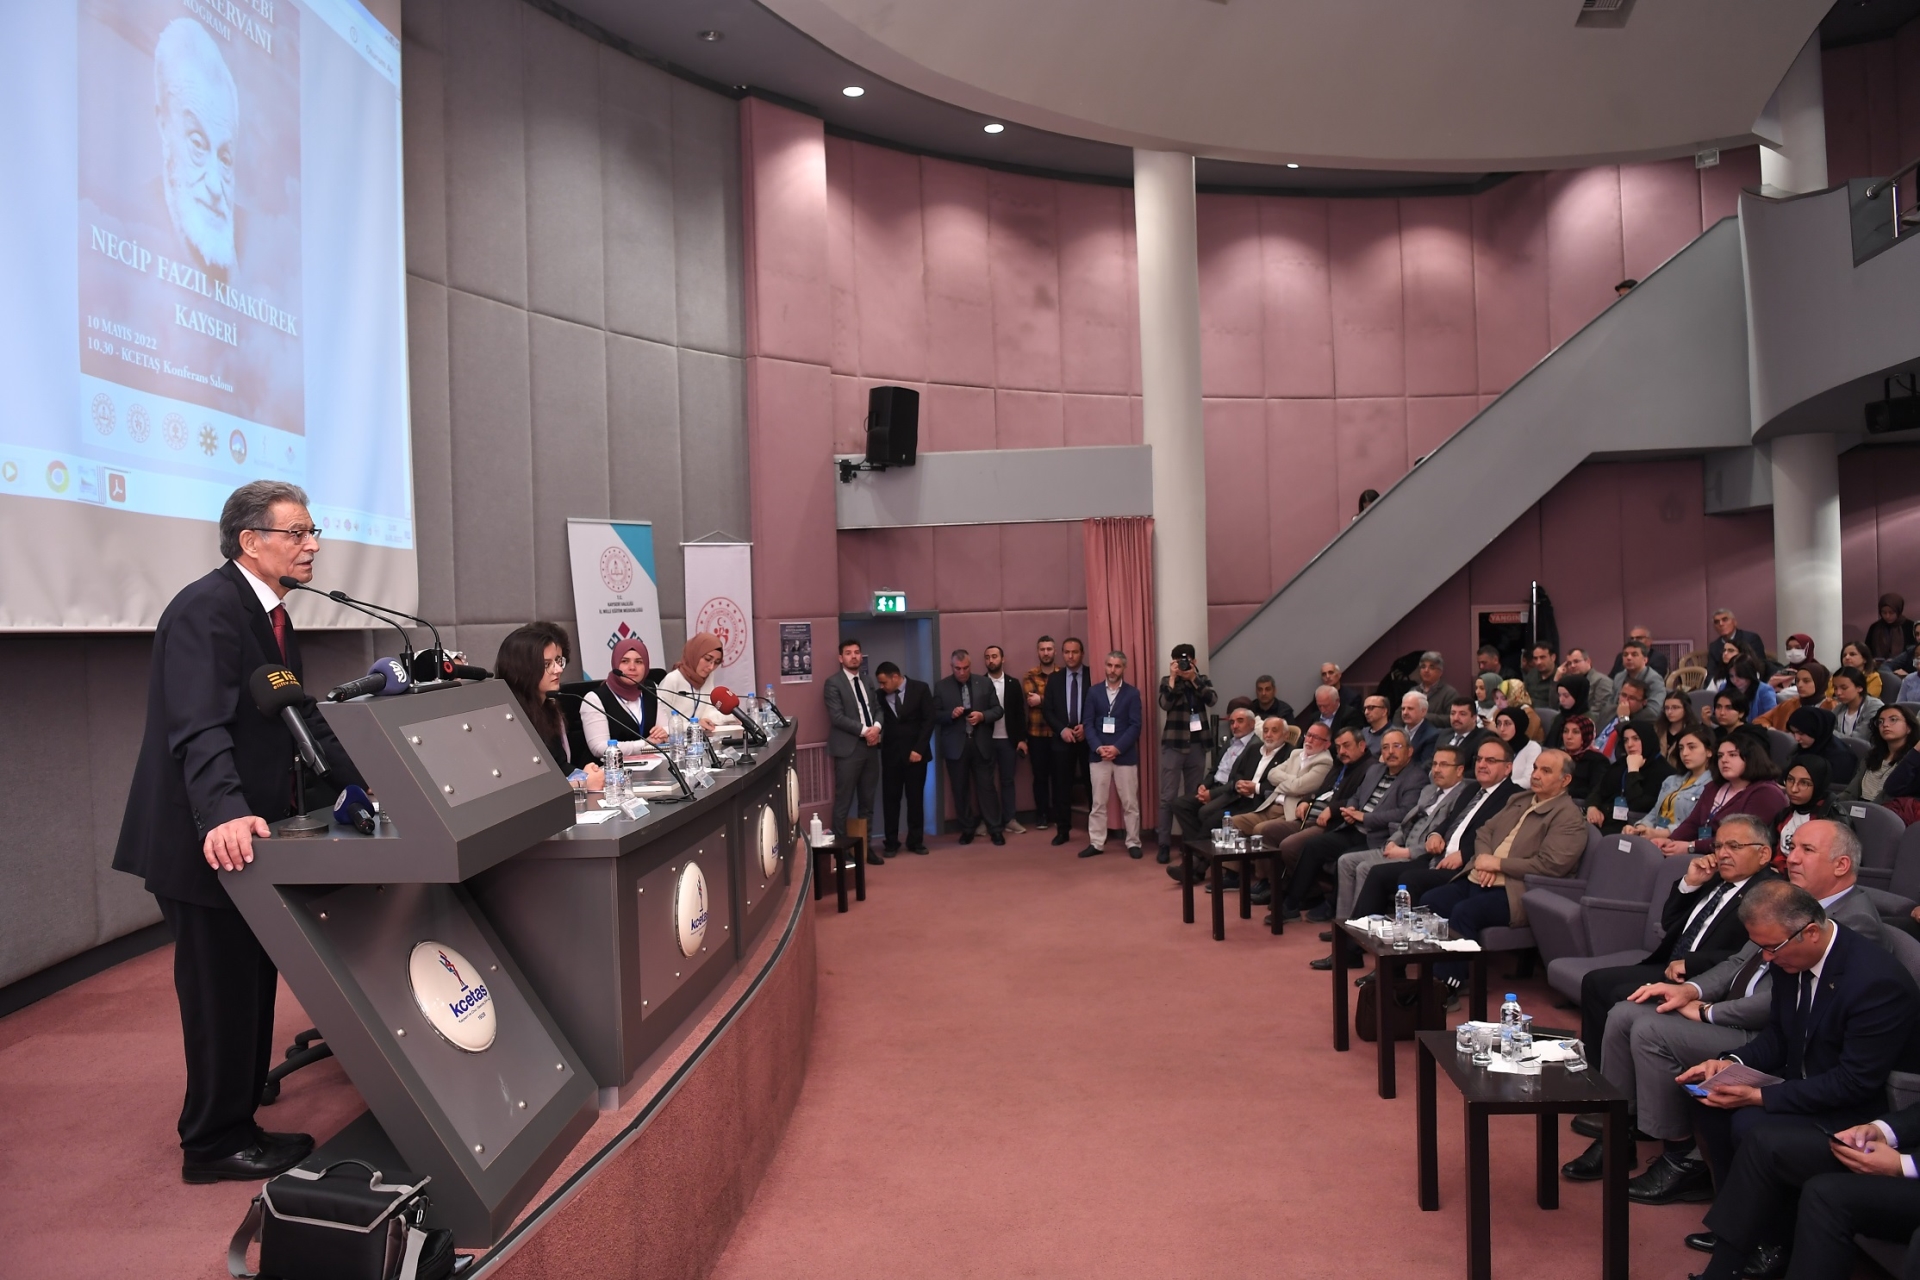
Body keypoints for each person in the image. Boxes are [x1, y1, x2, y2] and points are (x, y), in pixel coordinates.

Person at [114, 481, 367, 1183]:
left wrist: (368, 780)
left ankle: (240, 1101)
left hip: (251, 841)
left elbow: (300, 716)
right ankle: (213, 1142)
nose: (312, 546)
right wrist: (224, 810)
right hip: (206, 836)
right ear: (250, 541)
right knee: (221, 992)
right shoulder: (207, 609)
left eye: (314, 533)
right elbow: (197, 725)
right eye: (298, 533)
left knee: (250, 979)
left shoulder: (270, 615)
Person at [1580, 819, 1888, 1206]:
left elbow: (1787, 1003)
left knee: (1649, 1030)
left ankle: (1682, 1158)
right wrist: (1689, 990)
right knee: (1626, 1011)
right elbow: (1739, 961)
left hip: (1769, 1035)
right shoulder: (1791, 898)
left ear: (1841, 865)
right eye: (1792, 847)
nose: (1792, 858)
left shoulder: (1854, 923)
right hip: (1736, 1012)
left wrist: (1709, 1012)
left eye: (1806, 851)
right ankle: (1617, 1132)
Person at [1681, 881, 1920, 1277]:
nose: (1766, 958)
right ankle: (1752, 1232)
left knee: (1755, 1129)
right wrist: (1731, 1063)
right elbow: (1779, 1034)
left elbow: (1854, 1083)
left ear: (1810, 932)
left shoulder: (1876, 982)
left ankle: (1739, 1252)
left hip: (1857, 1108)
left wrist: (1757, 1097)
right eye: (1760, 948)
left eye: (1771, 948)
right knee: (1710, 1104)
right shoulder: (1790, 958)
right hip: (1808, 1083)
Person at [1574, 813, 1781, 1066]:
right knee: (1594, 982)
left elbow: (1748, 954)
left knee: (1620, 994)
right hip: (1669, 963)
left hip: (1703, 976)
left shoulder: (1769, 893)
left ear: (1763, 854)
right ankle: (1595, 1070)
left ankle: (1616, 1076)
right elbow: (1670, 923)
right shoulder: (1716, 877)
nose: (1723, 854)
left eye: (1734, 846)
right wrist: (1690, 884)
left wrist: (1690, 963)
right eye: (1718, 846)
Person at [1419, 747, 1588, 989]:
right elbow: (1484, 831)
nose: (1536, 775)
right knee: (1431, 901)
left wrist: (1498, 864)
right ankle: (1428, 973)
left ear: (1565, 780)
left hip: (1517, 891)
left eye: (1546, 771)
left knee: (1465, 912)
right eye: (1535, 768)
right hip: (1481, 877)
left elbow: (1551, 866)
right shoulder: (1520, 799)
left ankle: (1450, 985)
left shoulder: (1569, 818)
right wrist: (1485, 859)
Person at [1707, 1098, 1920, 1280]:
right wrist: (1881, 1130)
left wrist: (1902, 1165)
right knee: (1763, 1142)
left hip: (1910, 1169)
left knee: (1825, 1195)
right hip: (1905, 1152)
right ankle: (1719, 1273)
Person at [1343, 737, 1525, 933]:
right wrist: (1435, 834)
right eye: (1479, 759)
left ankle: (1407, 946)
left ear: (1508, 768)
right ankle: (1356, 940)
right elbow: (1450, 821)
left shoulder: (1513, 797)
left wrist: (1465, 854)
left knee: (1410, 879)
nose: (1481, 765)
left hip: (1464, 866)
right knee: (1377, 873)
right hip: (1437, 855)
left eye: (1490, 761)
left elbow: (1502, 838)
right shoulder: (1472, 789)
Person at [1276, 727, 1424, 922]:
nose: (1390, 752)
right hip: (1353, 827)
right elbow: (1356, 795)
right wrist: (1351, 809)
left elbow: (1404, 813)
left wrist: (1364, 817)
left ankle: (1333, 908)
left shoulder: (1416, 777)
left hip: (1379, 836)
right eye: (1385, 747)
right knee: (1313, 846)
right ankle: (1291, 904)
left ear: (1409, 751)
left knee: (1344, 858)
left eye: (1396, 746)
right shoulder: (1376, 770)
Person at [155, 18, 239, 278]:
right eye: (198, 144)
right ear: (163, 127)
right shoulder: (123, 220)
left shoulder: (254, 250)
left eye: (225, 159)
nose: (215, 186)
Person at [1163, 706, 1263, 879]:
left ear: (1252, 724)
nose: (1235, 726)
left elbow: (1239, 782)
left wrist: (1212, 795)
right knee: (1180, 804)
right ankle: (1202, 860)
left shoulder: (1255, 747)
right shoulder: (1230, 742)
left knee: (1205, 812)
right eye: (1232, 722)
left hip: (1233, 794)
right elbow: (1215, 769)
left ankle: (1194, 865)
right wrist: (1204, 785)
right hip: (1216, 787)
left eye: (1240, 721)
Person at [1655, 731, 1789, 858]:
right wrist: (1671, 840)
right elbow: (1692, 823)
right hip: (1703, 853)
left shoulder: (1766, 793)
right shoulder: (1714, 787)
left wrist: (1692, 846)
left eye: (1732, 755)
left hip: (1736, 859)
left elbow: (1740, 839)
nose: (1724, 760)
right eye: (1720, 756)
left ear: (1751, 758)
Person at [497, 621, 593, 770]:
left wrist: (584, 775)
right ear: (522, 669)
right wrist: (583, 780)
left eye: (558, 661)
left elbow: (560, 765)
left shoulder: (549, 708)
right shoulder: (509, 717)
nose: (558, 669)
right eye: (547, 664)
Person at [934, 650, 1005, 846]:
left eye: (965, 668)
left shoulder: (984, 683)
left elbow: (998, 710)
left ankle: (995, 829)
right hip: (956, 746)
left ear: (970, 666)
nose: (962, 672)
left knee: (987, 788)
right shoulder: (941, 687)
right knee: (960, 790)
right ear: (952, 667)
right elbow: (934, 715)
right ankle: (967, 830)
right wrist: (951, 715)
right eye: (958, 668)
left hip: (981, 743)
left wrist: (982, 716)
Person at [1157, 643, 1218, 861]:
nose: (1183, 665)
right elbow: (1165, 704)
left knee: (1193, 797)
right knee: (1168, 797)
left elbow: (1212, 699)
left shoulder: (1202, 680)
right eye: (1178, 661)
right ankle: (1164, 844)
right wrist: (1174, 679)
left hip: (1197, 744)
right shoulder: (1167, 680)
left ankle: (1190, 843)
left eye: (1186, 661)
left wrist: (1193, 679)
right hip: (1174, 744)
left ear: (1194, 661)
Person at [1079, 650, 1143, 858]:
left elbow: (1135, 726)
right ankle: (1096, 842)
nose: (1112, 670)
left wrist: (1117, 748)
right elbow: (1088, 723)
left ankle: (1133, 842)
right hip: (1098, 755)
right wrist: (1099, 747)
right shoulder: (1094, 692)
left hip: (1124, 756)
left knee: (1130, 803)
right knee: (1098, 802)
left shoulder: (1132, 693)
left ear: (1124, 668)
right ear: (1105, 666)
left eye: (1117, 666)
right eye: (1109, 665)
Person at [823, 639, 883, 851]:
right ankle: (842, 852)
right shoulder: (833, 683)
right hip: (848, 749)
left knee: (868, 802)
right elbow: (837, 717)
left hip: (871, 748)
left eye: (857, 652)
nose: (854, 656)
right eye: (848, 653)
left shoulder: (867, 680)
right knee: (843, 803)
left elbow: (878, 709)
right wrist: (866, 731)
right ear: (841, 658)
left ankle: (865, 849)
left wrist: (876, 728)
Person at [875, 661, 934, 855]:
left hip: (916, 755)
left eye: (884, 682)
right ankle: (891, 843)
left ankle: (915, 841)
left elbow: (928, 720)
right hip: (891, 755)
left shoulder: (920, 689)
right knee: (890, 800)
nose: (881, 686)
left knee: (915, 799)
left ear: (895, 677)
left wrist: (919, 748)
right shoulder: (880, 696)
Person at [579, 637, 668, 759]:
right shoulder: (594, 699)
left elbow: (665, 730)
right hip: (609, 769)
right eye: (625, 661)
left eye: (639, 662)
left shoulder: (651, 689)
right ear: (615, 664)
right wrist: (645, 744)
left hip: (652, 765)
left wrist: (665, 733)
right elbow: (600, 748)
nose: (632, 667)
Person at [1042, 638, 1092, 846]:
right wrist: (1062, 729)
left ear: (1082, 653)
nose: (1070, 656)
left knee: (1092, 785)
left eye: (1075, 652)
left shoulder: (1093, 675)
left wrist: (1087, 727)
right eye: (1067, 652)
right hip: (1062, 740)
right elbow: (1047, 710)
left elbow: (1101, 706)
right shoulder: (1054, 679)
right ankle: (1063, 830)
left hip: (1088, 739)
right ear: (1062, 654)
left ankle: (1097, 831)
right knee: (1061, 787)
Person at [1626, 728, 1714, 842]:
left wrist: (1660, 833)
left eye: (1691, 747)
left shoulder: (1712, 785)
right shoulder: (1671, 780)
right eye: (1681, 748)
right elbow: (1655, 812)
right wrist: (1640, 827)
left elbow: (1695, 824)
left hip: (1681, 842)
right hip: (1655, 837)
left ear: (1709, 751)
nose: (1684, 753)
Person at [1584, 719, 1670, 833]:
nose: (1629, 745)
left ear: (1647, 739)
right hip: (1604, 821)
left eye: (1636, 739)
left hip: (1632, 828)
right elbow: (1598, 790)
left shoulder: (1663, 772)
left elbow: (1638, 805)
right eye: (1625, 740)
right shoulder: (1621, 764)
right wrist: (1592, 807)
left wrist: (1633, 771)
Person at [982, 646, 1028, 836]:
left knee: (1008, 780)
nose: (991, 660)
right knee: (986, 782)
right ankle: (988, 820)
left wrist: (1022, 739)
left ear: (1003, 659)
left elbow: (1019, 713)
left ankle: (1010, 819)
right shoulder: (979, 682)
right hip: (986, 741)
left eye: (994, 656)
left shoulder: (1013, 683)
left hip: (1008, 740)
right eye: (987, 657)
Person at [657, 632, 739, 732]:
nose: (711, 667)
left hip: (698, 737)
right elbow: (662, 725)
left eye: (716, 662)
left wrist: (734, 716)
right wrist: (693, 725)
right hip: (675, 739)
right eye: (707, 659)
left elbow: (708, 713)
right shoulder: (672, 679)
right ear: (695, 654)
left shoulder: (708, 677)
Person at [1841, 703, 1917, 803]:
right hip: (1858, 807)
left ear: (1909, 727)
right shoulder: (1871, 755)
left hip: (1888, 810)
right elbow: (1851, 791)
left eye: (1893, 719)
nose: (1885, 725)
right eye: (1880, 721)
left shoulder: (1913, 760)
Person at [1022, 637, 1060, 830]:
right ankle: (1042, 815)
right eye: (1042, 649)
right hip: (1036, 734)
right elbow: (1031, 700)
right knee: (1040, 777)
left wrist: (1043, 699)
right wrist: (1053, 700)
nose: (1046, 653)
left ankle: (1060, 814)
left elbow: (1063, 701)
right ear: (1038, 652)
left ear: (1055, 651)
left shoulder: (1063, 674)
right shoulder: (1030, 675)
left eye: (1049, 649)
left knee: (1060, 776)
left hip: (1058, 733)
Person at [1774, 755, 1835, 865]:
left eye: (1804, 783)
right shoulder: (1783, 815)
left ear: (1818, 785)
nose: (1794, 789)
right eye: (1790, 780)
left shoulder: (1832, 819)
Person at [1785, 705, 1856, 787]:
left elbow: (1835, 789)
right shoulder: (1799, 750)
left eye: (1801, 733)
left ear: (1816, 731)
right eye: (1793, 733)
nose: (1796, 738)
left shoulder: (1841, 757)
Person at [1557, 712, 1609, 807]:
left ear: (1586, 735)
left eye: (1576, 732)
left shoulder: (1598, 761)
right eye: (1565, 731)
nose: (1569, 736)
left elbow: (1596, 792)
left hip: (1578, 807)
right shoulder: (1558, 755)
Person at [1707, 609, 1769, 682]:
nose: (1721, 624)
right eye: (1716, 622)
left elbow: (1760, 665)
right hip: (1721, 683)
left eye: (1725, 619)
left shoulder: (1751, 639)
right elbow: (1711, 673)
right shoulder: (1714, 646)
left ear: (1734, 622)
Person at [1825, 665, 1881, 740]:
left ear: (1860, 688)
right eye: (1835, 688)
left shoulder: (1875, 707)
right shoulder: (1838, 708)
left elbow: (1858, 739)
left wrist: (1825, 732)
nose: (1838, 693)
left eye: (1844, 688)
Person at [1493, 704, 1542, 789]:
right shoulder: (1496, 746)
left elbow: (1529, 781)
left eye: (1507, 724)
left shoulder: (1532, 748)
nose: (1502, 729)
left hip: (1517, 793)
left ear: (1518, 725)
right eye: (1499, 724)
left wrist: (1500, 787)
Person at [1657, 691, 1707, 768]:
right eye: (1667, 708)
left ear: (1686, 709)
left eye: (1675, 707)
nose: (1669, 712)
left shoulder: (1695, 732)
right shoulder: (1658, 729)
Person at [1866, 592, 1916, 665]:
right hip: (1878, 667)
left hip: (1904, 668)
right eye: (1884, 612)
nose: (1887, 616)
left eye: (1891, 612)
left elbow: (1915, 652)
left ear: (1898, 611)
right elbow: (1867, 651)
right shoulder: (1875, 627)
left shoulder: (1910, 626)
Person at [1413, 652, 1459, 729]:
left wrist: (1425, 716)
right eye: (1423, 667)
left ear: (1440, 672)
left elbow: (1452, 718)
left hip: (1438, 734)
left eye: (1431, 667)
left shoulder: (1450, 693)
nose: (1426, 670)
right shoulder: (1413, 691)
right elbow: (1399, 713)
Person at [1524, 642, 1561, 712]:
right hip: (1529, 713)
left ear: (1553, 657)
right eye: (1535, 658)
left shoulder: (1561, 677)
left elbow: (1556, 706)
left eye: (1542, 657)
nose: (1538, 662)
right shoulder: (1532, 673)